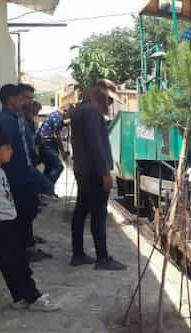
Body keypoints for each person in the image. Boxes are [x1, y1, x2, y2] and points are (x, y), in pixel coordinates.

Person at [0, 128, 59, 312]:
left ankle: (19, 297)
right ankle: (34, 298)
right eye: (7, 148)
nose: (11, 151)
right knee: (16, 264)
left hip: (5, 223)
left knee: (13, 262)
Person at [69, 79, 126, 270]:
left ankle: (78, 254)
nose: (109, 104)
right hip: (93, 172)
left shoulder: (79, 110)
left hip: (83, 170)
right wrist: (105, 173)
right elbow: (96, 146)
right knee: (98, 215)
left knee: (81, 213)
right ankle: (102, 258)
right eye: (109, 100)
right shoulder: (92, 112)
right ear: (99, 94)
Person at [0, 84, 52, 262]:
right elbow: (7, 149)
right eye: (21, 99)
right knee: (25, 209)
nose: (24, 102)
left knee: (30, 207)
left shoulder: (16, 117)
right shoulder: (5, 121)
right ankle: (25, 248)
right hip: (16, 173)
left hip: (25, 170)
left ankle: (27, 243)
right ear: (12, 100)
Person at [37, 105, 71, 185]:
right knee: (58, 167)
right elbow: (57, 135)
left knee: (49, 169)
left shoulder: (55, 115)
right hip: (47, 144)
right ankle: (46, 186)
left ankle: (47, 191)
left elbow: (60, 124)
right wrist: (62, 152)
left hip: (46, 144)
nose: (68, 116)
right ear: (65, 111)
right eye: (69, 114)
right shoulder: (58, 117)